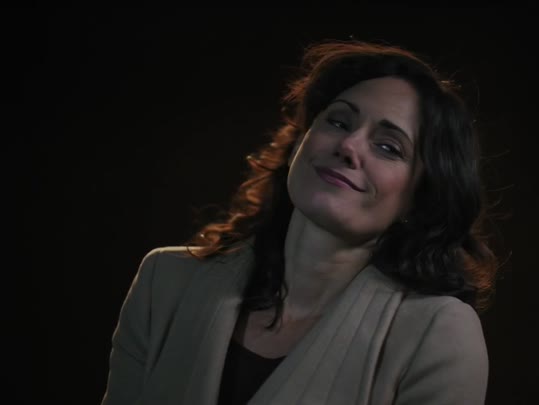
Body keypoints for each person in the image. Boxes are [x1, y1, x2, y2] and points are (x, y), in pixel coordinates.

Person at [101, 39, 499, 405]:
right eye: (339, 122)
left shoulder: (437, 333)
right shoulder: (164, 282)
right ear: (299, 143)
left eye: (388, 147)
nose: (348, 146)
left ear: (419, 199)